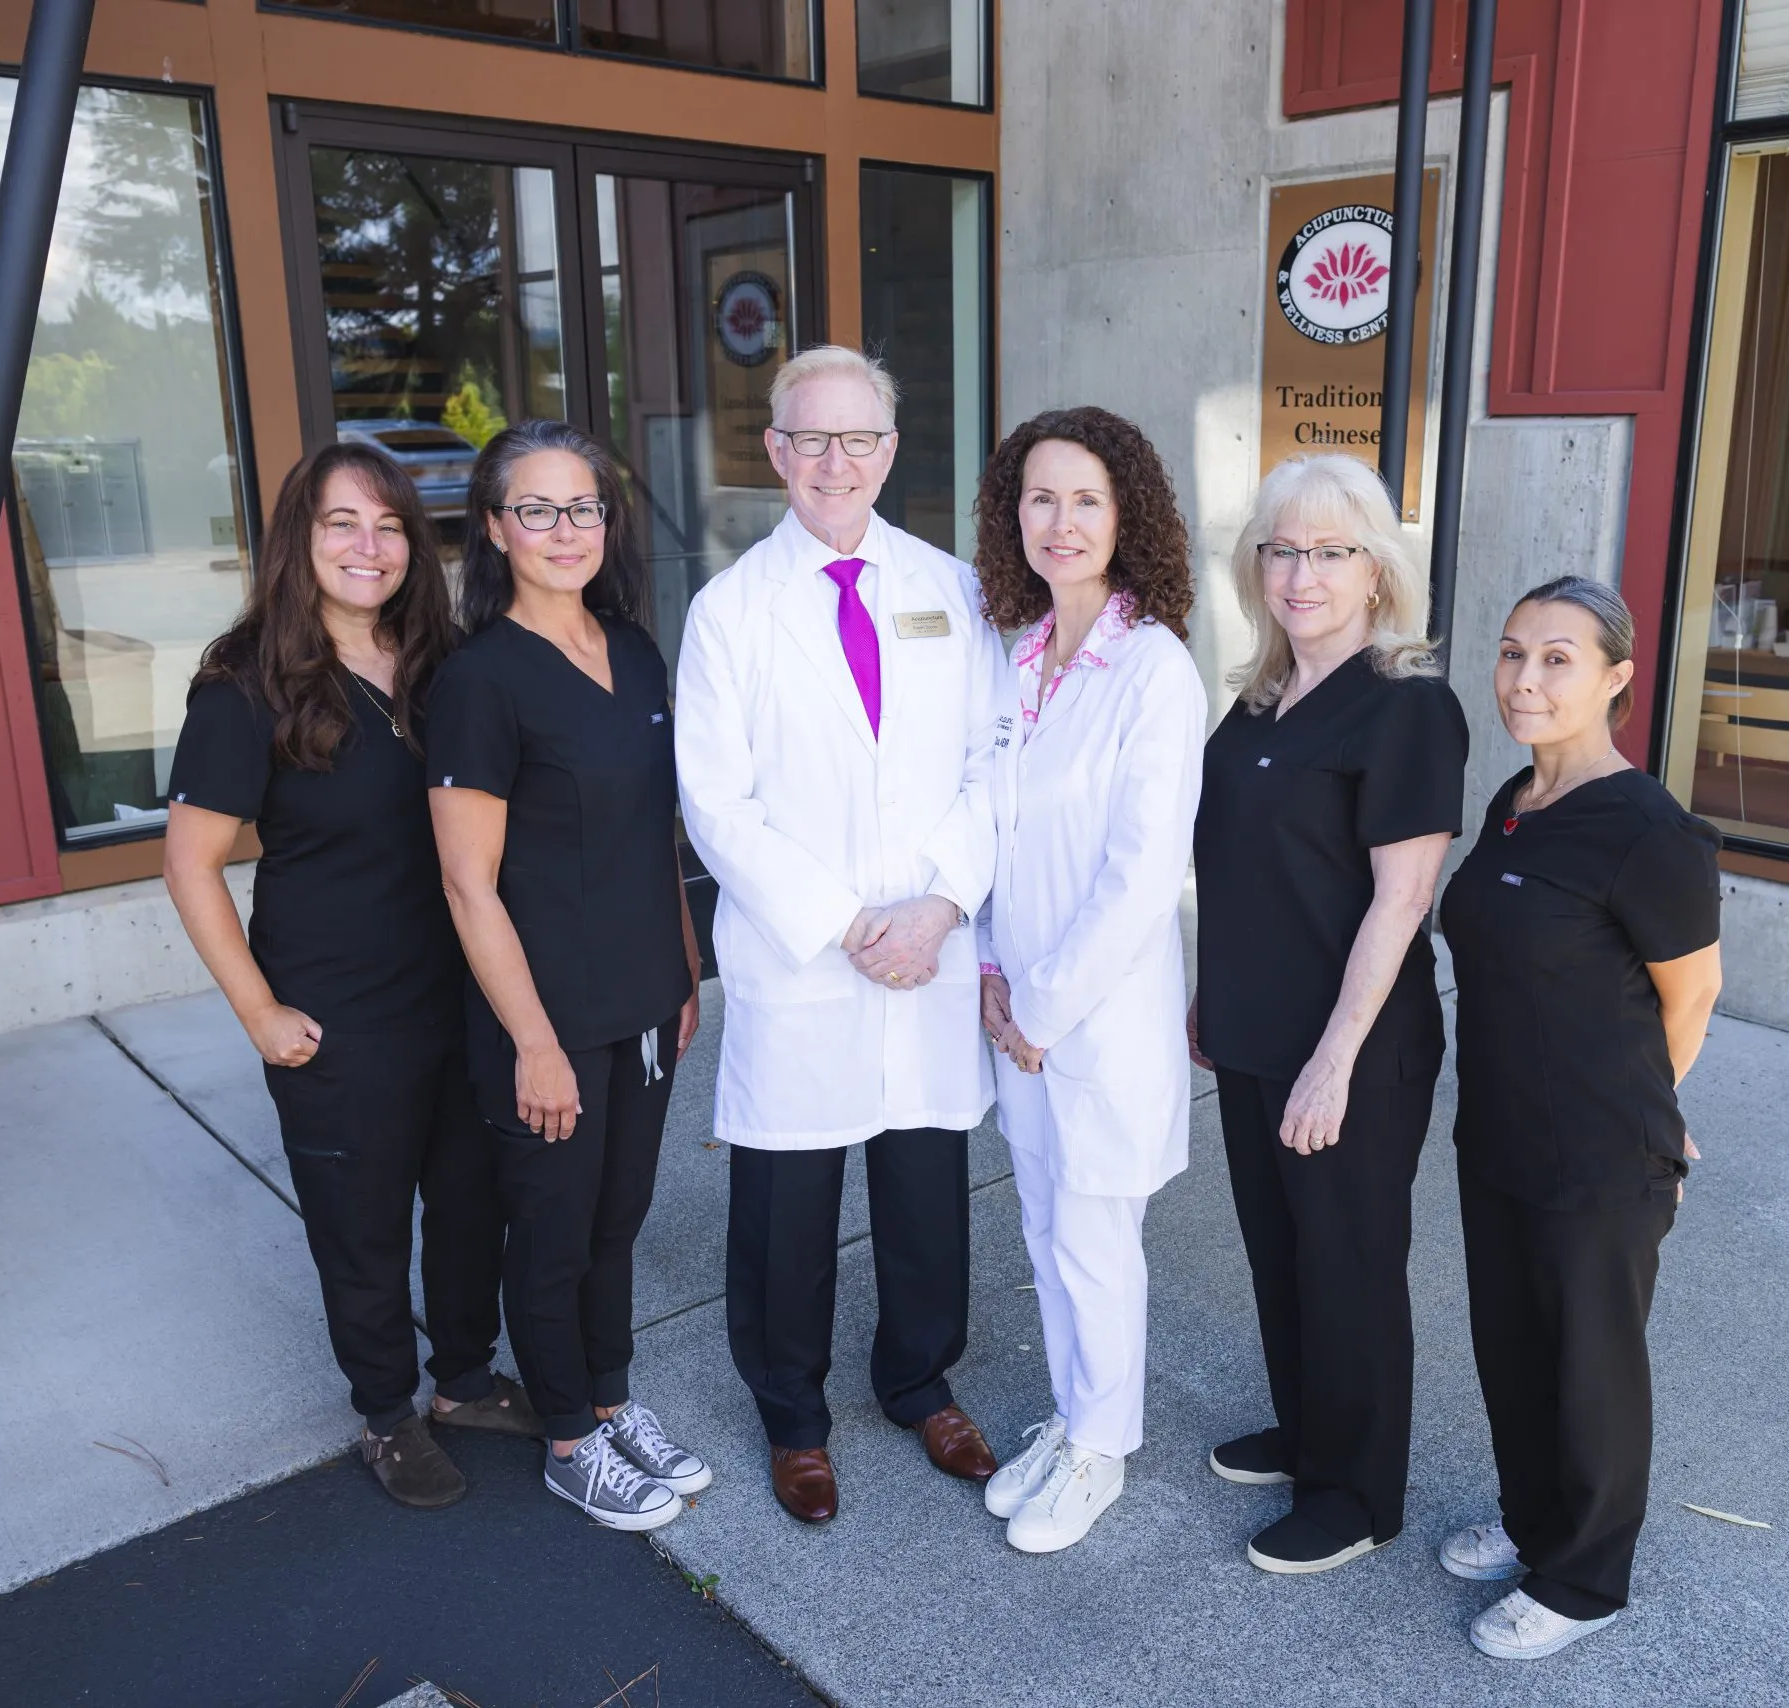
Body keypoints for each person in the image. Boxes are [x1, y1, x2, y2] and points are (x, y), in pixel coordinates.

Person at [163, 442, 533, 1513]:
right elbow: (189, 864)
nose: (368, 546)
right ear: (301, 539)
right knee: (362, 1226)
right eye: (341, 523)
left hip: (459, 993)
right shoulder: (245, 687)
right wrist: (260, 1012)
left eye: (388, 525)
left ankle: (463, 1382)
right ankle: (386, 1411)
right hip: (338, 1014)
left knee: (468, 1207)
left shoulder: (442, 664)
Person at [675, 346, 1004, 1525]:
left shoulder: (953, 590)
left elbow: (994, 759)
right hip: (804, 956)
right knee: (787, 1203)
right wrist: (848, 922)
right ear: (774, 452)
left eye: (857, 438)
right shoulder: (730, 612)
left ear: (890, 450)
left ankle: (919, 1381)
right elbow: (717, 805)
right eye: (809, 438)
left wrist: (941, 905)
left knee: (924, 1188)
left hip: (927, 946)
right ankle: (793, 1416)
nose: (834, 461)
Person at [1189, 453, 1469, 1574]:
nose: (1302, 574)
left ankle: (1356, 1495)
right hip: (1253, 1030)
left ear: (1377, 570)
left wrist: (1335, 1057)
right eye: (1283, 550)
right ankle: (1308, 1433)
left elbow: (1402, 899)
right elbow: (1247, 868)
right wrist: (1211, 992)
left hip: (1351, 1046)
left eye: (1331, 551)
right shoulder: (1261, 698)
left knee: (1347, 1263)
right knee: (1280, 1250)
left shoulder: (1407, 706)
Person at [429, 420, 710, 1533]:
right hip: (543, 1016)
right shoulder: (480, 680)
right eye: (536, 509)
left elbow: (654, 832)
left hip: (642, 993)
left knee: (616, 1219)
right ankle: (565, 1437)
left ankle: (609, 1398)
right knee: (551, 1234)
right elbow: (468, 887)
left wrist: (683, 965)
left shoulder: (632, 649)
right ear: (495, 528)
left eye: (582, 507)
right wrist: (534, 1044)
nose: (564, 530)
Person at [1436, 575, 1722, 1661]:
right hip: (1499, 1133)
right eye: (1513, 652)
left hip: (1602, 1155)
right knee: (1512, 1348)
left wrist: (1649, 1109)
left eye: (1558, 658)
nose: (1525, 677)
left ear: (1616, 679)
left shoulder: (1648, 830)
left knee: (1590, 1367)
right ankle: (1530, 1523)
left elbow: (1691, 995)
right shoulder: (1516, 799)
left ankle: (1586, 1578)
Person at [963, 409, 1207, 1554]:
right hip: (1017, 1011)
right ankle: (1071, 1418)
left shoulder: (1152, 669)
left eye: (1086, 500)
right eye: (1040, 498)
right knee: (1043, 1225)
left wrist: (1042, 1007)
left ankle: (1102, 1449)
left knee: (1096, 1242)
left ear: (1127, 517)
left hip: (1093, 1022)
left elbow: (1141, 875)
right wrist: (991, 974)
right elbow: (991, 833)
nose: (1060, 522)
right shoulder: (1015, 657)